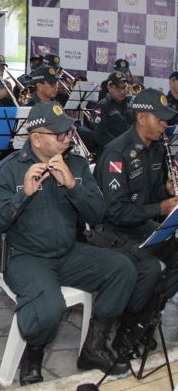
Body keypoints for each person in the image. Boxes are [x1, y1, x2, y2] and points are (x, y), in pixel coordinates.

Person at [0, 101, 136, 386]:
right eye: (59, 134)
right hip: (26, 257)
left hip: (67, 252)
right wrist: (22, 195)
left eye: (68, 131)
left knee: (122, 268)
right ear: (36, 138)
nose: (67, 137)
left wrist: (73, 187)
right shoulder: (10, 169)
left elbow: (98, 213)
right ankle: (34, 352)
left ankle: (94, 346)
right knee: (49, 308)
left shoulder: (75, 165)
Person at [93, 88, 178, 359]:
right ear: (142, 118)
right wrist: (161, 207)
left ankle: (144, 318)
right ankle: (124, 333)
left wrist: (166, 191)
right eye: (160, 120)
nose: (165, 125)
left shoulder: (154, 149)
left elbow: (149, 196)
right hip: (112, 231)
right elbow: (114, 211)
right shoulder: (117, 153)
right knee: (150, 268)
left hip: (139, 225)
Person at [94, 71, 134, 153]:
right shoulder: (103, 105)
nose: (122, 92)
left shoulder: (132, 103)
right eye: (117, 88)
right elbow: (100, 135)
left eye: (124, 87)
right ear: (109, 87)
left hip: (130, 150)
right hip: (111, 152)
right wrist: (120, 144)